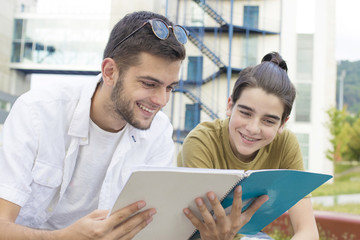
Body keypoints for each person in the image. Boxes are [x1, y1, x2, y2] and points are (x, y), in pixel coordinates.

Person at [0, 11, 267, 240]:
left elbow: (156, 232)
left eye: (170, 88)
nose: (161, 100)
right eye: (149, 84)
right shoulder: (37, 111)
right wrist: (65, 238)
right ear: (110, 72)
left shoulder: (159, 131)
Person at [178, 53, 319, 240]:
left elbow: (308, 231)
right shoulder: (201, 142)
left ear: (282, 124)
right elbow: (203, 231)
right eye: (245, 113)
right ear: (230, 106)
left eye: (268, 121)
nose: (253, 129)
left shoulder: (285, 143)